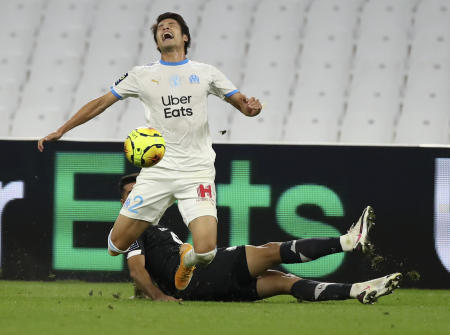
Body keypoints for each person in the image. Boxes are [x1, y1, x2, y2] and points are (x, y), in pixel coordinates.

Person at [37, 12, 262, 290]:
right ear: (157, 40)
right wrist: (62, 129)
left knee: (206, 252)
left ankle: (186, 260)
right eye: (160, 28)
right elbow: (100, 103)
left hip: (196, 171)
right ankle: (150, 231)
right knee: (114, 246)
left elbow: (242, 103)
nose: (165, 29)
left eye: (172, 26)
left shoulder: (206, 73)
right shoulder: (142, 75)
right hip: (158, 172)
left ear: (184, 36)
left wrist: (251, 108)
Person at [119, 173, 402, 304]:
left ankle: (356, 291)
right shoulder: (132, 227)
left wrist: (144, 293)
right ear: (123, 202)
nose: (138, 198)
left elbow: (144, 270)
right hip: (199, 277)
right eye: (131, 195)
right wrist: (158, 298)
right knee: (270, 251)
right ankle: (348, 241)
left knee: (283, 282)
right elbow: (136, 268)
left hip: (202, 290)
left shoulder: (147, 228)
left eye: (140, 191)